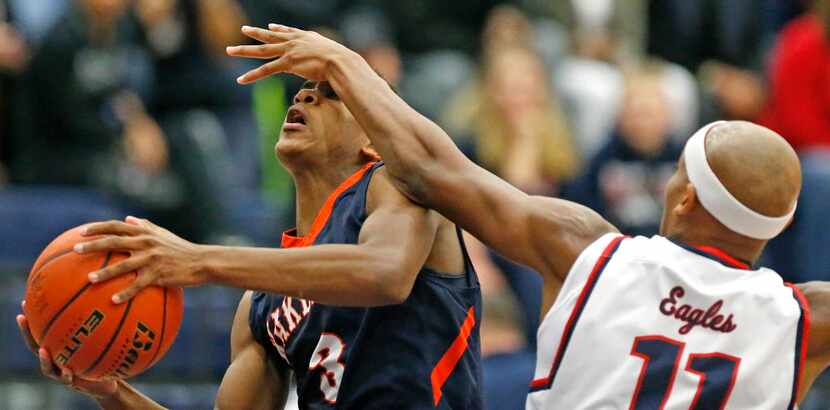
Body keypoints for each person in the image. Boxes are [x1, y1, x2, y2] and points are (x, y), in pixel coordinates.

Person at [225, 24, 829, 408]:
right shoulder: (803, 318)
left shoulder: (594, 252)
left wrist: (342, 63)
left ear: (686, 197)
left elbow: (433, 171)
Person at [17, 78, 482, 408]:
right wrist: (113, 394)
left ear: (375, 143)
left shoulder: (399, 189)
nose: (303, 94)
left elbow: (385, 273)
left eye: (331, 95)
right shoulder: (262, 303)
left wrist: (200, 260)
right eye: (304, 90)